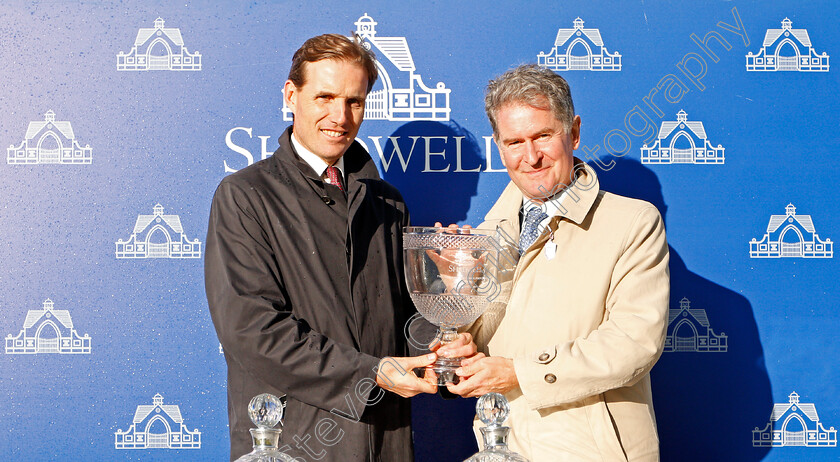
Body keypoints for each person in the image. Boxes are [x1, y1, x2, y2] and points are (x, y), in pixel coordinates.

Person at [205, 34, 454, 461]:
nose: (340, 116)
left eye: (354, 101)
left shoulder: (388, 202)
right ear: (291, 95)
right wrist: (370, 374)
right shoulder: (245, 195)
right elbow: (251, 328)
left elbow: (403, 319)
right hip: (295, 443)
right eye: (325, 96)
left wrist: (444, 339)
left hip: (385, 439)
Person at [446, 64, 670, 461]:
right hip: (505, 447)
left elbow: (634, 343)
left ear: (574, 132)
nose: (530, 157)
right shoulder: (484, 234)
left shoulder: (633, 222)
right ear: (499, 146)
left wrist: (521, 372)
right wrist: (455, 319)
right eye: (515, 142)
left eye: (543, 136)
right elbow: (479, 339)